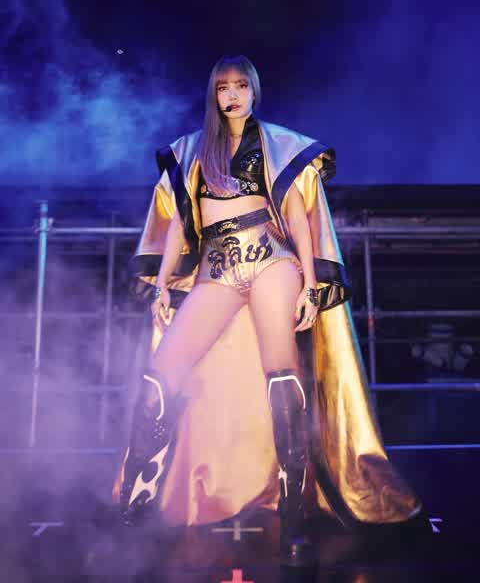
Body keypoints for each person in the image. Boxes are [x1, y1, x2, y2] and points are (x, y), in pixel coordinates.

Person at [113, 55, 425, 564]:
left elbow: (299, 217)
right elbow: (177, 226)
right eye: (223, 87)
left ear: (254, 91)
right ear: (213, 95)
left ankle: (293, 517)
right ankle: (135, 507)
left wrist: (309, 284)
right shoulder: (191, 149)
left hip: (271, 261)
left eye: (241, 86)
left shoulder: (278, 144)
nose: (232, 95)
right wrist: (164, 284)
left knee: (282, 376)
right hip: (216, 267)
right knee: (160, 373)